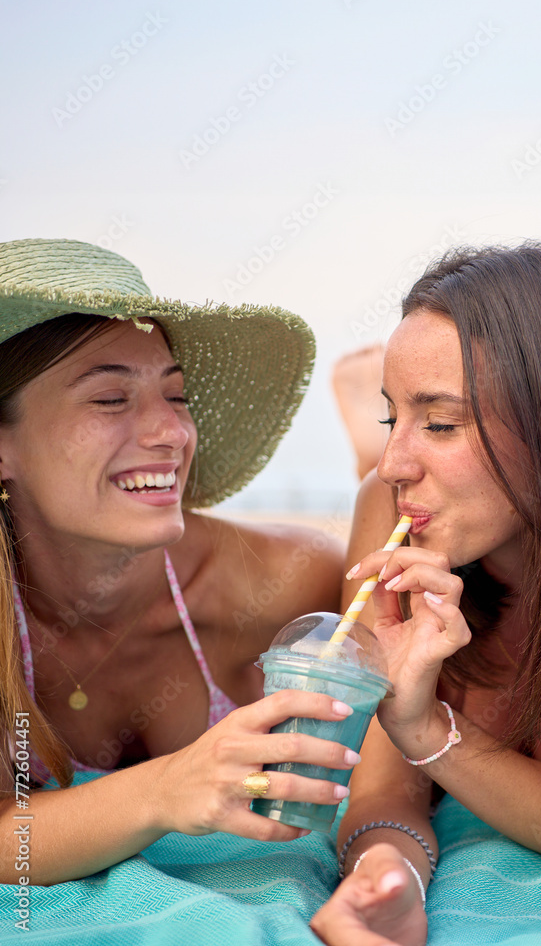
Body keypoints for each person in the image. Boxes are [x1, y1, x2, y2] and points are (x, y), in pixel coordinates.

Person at [311, 243, 541, 946]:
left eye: (439, 423)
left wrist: (426, 729)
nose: (395, 464)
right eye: (393, 420)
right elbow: (387, 789)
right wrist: (387, 878)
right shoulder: (388, 516)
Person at [0, 237, 353, 887]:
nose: (171, 432)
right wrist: (164, 789)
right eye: (110, 399)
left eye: (178, 396)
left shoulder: (287, 582)